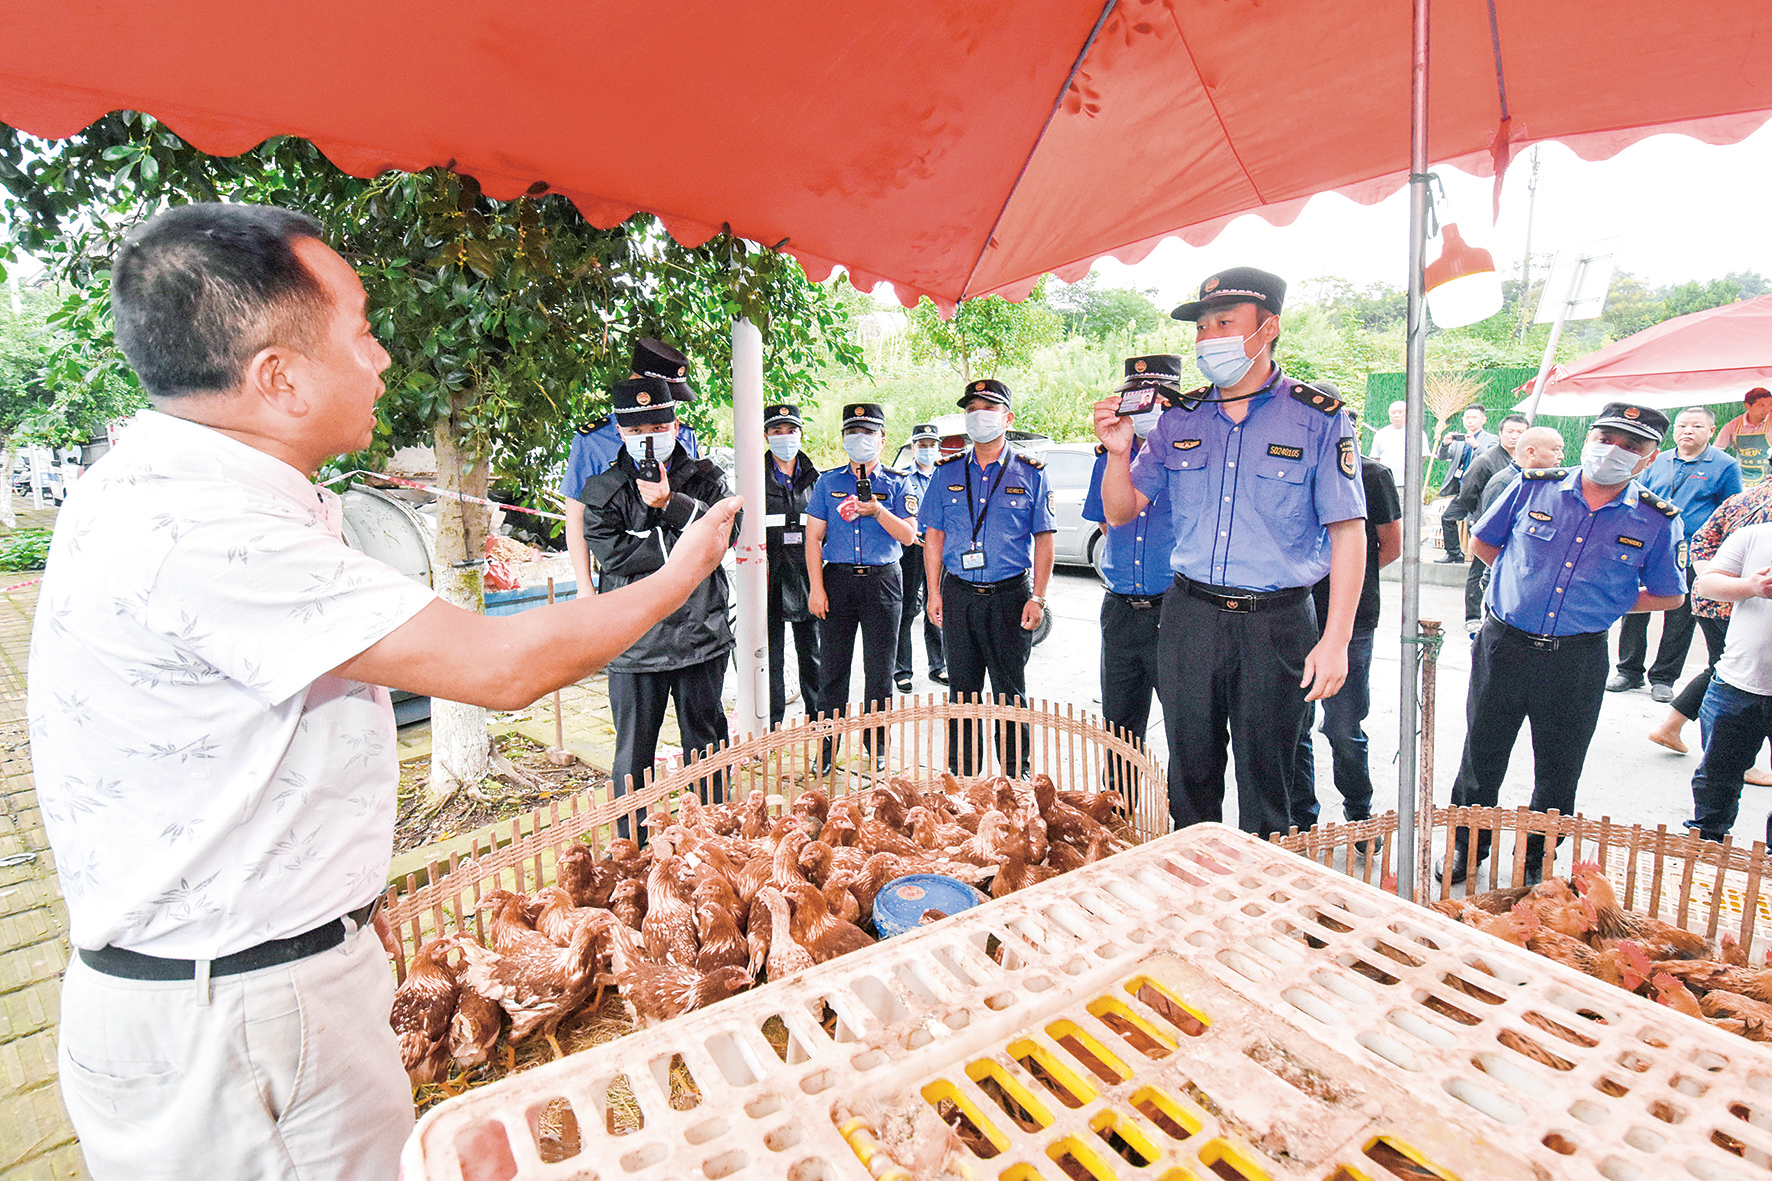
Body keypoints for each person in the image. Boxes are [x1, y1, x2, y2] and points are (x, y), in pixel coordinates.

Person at [28, 203, 739, 1180]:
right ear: (276, 378)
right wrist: (684, 567)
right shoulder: (202, 528)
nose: (383, 356)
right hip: (241, 1022)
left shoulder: (162, 485)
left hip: (256, 978)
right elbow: (499, 666)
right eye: (359, 330)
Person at [1093, 266, 1368, 839]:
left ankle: (1259, 910)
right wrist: (1118, 453)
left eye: (1224, 321)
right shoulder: (1180, 418)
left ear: (1267, 327)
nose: (1207, 336)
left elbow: (1349, 532)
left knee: (1270, 781)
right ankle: (1194, 899)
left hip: (1277, 624)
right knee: (1190, 774)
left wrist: (1336, 640)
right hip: (1190, 616)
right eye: (1201, 326)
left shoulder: (1318, 415)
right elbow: (1121, 510)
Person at [1441, 403, 1685, 885]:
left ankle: (1535, 862)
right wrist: (1516, 584)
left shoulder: (1655, 520)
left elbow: (1669, 594)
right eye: (1606, 437)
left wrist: (1605, 604)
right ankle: (1466, 850)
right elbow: (1485, 543)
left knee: (1558, 768)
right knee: (1481, 756)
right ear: (1589, 437)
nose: (1613, 450)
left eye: (1630, 445)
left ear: (1649, 458)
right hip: (1504, 644)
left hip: (1577, 657)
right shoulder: (1536, 486)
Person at [580, 375, 736, 833]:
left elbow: (729, 531)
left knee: (706, 746)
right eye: (635, 431)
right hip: (634, 644)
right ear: (621, 433)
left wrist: (671, 505)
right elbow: (611, 553)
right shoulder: (604, 489)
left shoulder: (706, 479)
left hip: (700, 636)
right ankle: (631, 848)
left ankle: (710, 835)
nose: (648, 439)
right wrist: (684, 547)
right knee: (632, 754)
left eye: (658, 427)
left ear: (675, 423)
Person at [922, 378, 1055, 777]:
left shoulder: (1030, 472)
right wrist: (933, 591)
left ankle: (1017, 777)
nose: (978, 415)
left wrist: (1039, 597)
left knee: (1009, 693)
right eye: (972, 408)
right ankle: (962, 779)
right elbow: (934, 537)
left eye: (989, 407)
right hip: (959, 593)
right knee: (962, 692)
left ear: (1007, 417)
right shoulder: (946, 472)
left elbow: (1044, 540)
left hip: (1010, 596)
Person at [1290, 403, 1403, 839]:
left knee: (1342, 725)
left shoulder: (1373, 475)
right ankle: (1302, 819)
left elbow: (1388, 547)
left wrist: (1352, 582)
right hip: (1294, 613)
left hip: (1352, 622)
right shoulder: (1291, 465)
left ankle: (1359, 812)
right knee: (1295, 725)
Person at [806, 403, 917, 771]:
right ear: (843, 440)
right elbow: (813, 539)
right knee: (832, 671)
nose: (860, 440)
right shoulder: (827, 482)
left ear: (882, 440)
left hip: (883, 582)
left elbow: (909, 535)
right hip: (837, 580)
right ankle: (826, 747)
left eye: (868, 433)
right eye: (853, 433)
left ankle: (877, 744)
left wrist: (877, 511)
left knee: (880, 671)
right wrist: (816, 588)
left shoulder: (899, 483)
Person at [1082, 355, 1182, 762]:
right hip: (1121, 608)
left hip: (1177, 609)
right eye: (1136, 395)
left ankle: (1185, 820)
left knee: (1186, 727)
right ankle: (1120, 818)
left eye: (1156, 395)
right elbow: (1107, 523)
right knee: (1119, 730)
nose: (1145, 404)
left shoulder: (1190, 454)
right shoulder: (1108, 457)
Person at [1607, 406, 1742, 700]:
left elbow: (1731, 512)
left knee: (1680, 612)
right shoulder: (1657, 459)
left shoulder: (1724, 465)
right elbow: (1635, 496)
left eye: (1696, 426)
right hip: (1644, 545)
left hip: (1691, 551)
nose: (1687, 431)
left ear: (1711, 431)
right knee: (1634, 605)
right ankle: (1628, 670)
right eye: (1681, 426)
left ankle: (1664, 677)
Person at [1647, 478, 1772, 788]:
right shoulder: (1755, 503)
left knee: (1722, 667)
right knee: (1730, 675)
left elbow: (1701, 540)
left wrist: (1713, 576)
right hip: (1736, 604)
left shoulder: (1744, 498)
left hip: (1721, 598)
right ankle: (1727, 756)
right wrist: (1722, 579)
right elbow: (1704, 542)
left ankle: (1672, 727)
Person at [560, 338, 702, 595]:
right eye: (664, 391)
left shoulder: (682, 435)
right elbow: (576, 516)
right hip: (624, 578)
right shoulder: (593, 440)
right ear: (638, 383)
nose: (668, 401)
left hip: (684, 582)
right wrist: (584, 586)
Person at [1685, 521, 1772, 842]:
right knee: (1715, 783)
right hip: (1735, 684)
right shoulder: (1754, 536)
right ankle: (1706, 856)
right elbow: (1707, 585)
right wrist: (1751, 586)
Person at [763, 402, 821, 729]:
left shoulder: (816, 479)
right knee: (770, 654)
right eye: (777, 431)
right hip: (768, 575)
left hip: (807, 574)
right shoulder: (755, 476)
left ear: (800, 433)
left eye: (791, 431)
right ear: (767, 436)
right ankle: (772, 722)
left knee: (812, 652)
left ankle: (818, 718)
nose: (785, 437)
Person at [1451, 413, 1531, 628]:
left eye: (1520, 432)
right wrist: (1478, 517)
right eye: (1510, 432)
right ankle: (1473, 616)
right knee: (1479, 569)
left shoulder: (1526, 462)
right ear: (1500, 434)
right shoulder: (1487, 459)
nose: (1515, 436)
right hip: (1484, 524)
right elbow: (1467, 491)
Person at [894, 421, 946, 692]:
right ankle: (902, 669)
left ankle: (939, 665)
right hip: (911, 549)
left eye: (932, 445)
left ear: (939, 447)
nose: (927, 450)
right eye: (922, 445)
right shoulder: (901, 477)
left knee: (937, 606)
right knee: (904, 609)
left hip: (940, 549)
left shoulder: (946, 475)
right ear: (913, 447)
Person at [1434, 404, 1498, 563]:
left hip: (1482, 489)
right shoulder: (1458, 439)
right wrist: (1446, 443)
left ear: (1484, 420)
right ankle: (1454, 553)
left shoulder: (1492, 439)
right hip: (1463, 488)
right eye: (1467, 418)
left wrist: (1475, 445)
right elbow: (1442, 457)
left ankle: (1480, 559)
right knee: (1448, 517)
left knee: (1475, 525)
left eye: (1474, 417)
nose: (1470, 421)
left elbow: (1492, 460)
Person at [1367, 399, 1427, 491]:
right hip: (1386, 484)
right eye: (1393, 412)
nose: (1396, 415)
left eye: (1400, 412)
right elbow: (1376, 458)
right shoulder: (1381, 434)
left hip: (1409, 485)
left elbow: (1422, 457)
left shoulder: (1418, 433)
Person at [1716, 387, 1772, 484]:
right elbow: (1716, 452)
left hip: (1768, 480)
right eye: (1761, 405)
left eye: (1770, 404)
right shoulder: (1732, 426)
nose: (1767, 409)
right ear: (1747, 406)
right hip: (1742, 480)